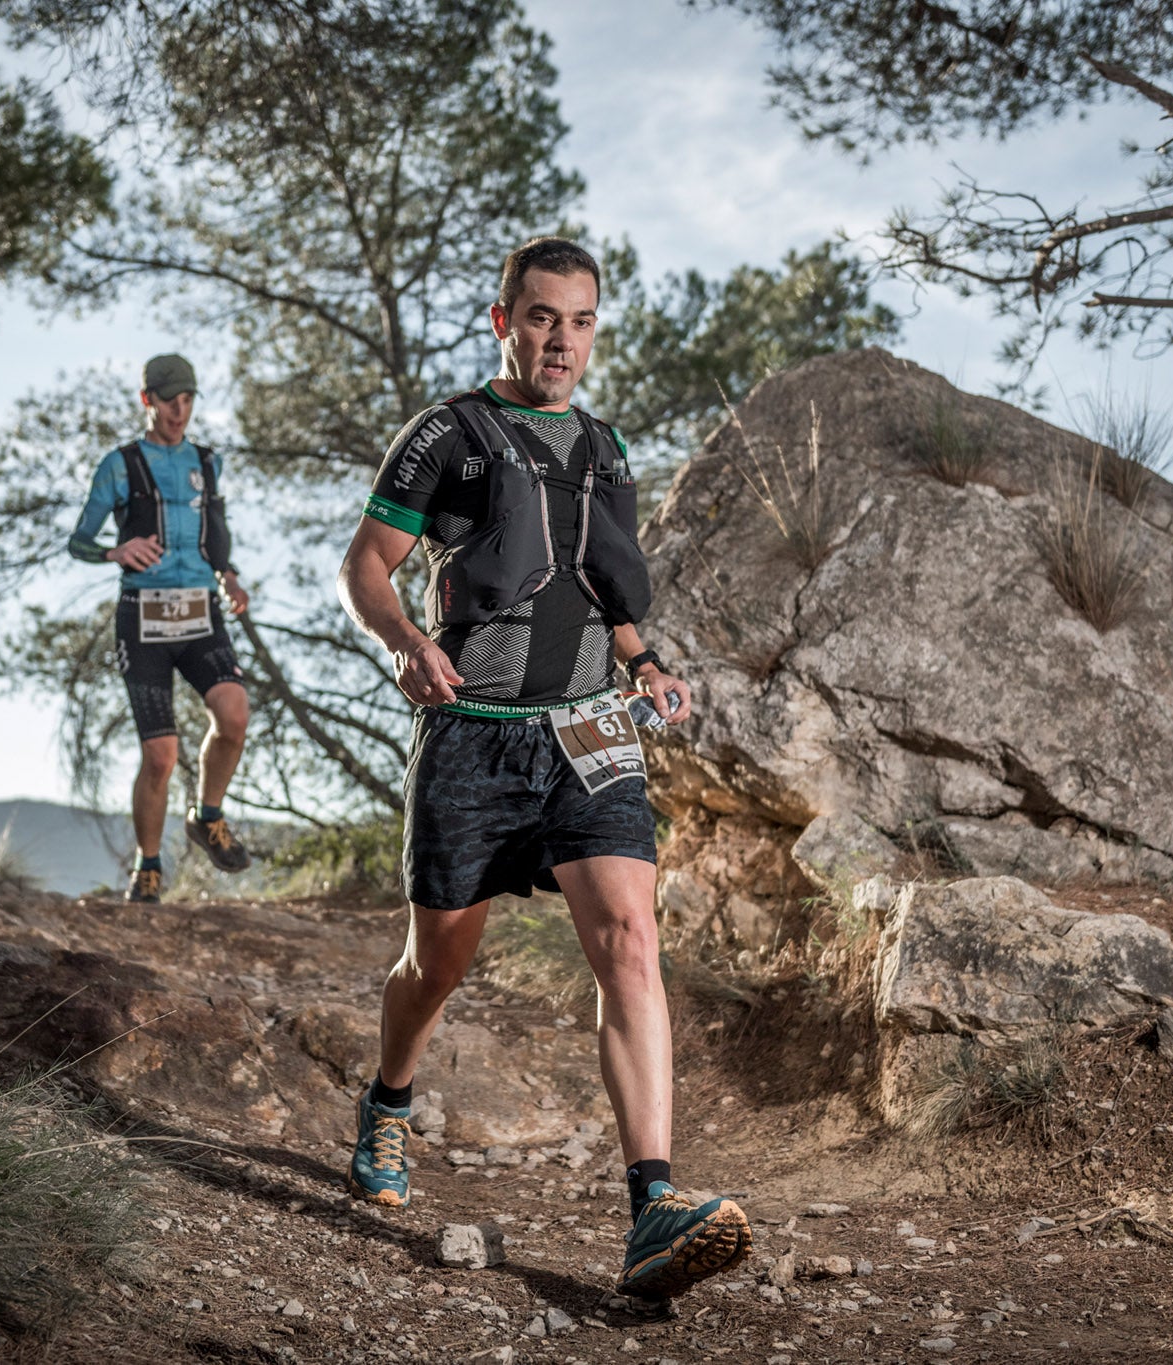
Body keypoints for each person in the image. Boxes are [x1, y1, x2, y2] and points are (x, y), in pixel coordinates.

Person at [336, 238, 749, 1300]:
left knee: (627, 937)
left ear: (592, 329)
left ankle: (652, 1205)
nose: (559, 341)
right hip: (472, 731)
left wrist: (646, 664)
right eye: (539, 318)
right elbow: (365, 566)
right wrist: (401, 644)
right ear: (502, 320)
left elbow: (604, 588)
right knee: (436, 966)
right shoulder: (447, 434)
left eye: (578, 322)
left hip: (591, 729)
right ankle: (389, 1103)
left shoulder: (604, 447)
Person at [68, 354, 254, 904]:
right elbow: (79, 540)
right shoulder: (119, 464)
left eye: (189, 399)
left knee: (234, 715)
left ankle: (207, 815)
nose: (181, 409)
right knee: (161, 755)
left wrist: (229, 575)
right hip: (143, 618)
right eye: (171, 399)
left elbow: (215, 530)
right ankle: (148, 866)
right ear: (147, 400)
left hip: (200, 610)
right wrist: (114, 549)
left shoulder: (206, 461)